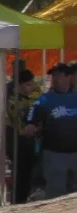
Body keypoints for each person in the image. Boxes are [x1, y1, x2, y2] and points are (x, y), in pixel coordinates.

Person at [24, 63, 77, 199]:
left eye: (58, 75)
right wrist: (31, 125)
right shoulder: (46, 99)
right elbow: (32, 116)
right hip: (54, 154)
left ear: (68, 77)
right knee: (56, 193)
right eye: (53, 75)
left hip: (75, 153)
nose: (54, 78)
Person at [7, 68, 40, 203]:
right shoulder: (13, 101)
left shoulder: (33, 97)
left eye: (32, 84)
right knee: (21, 173)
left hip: (32, 141)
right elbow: (17, 124)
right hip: (18, 141)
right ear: (19, 85)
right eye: (28, 84)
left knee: (30, 172)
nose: (31, 87)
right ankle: (18, 201)